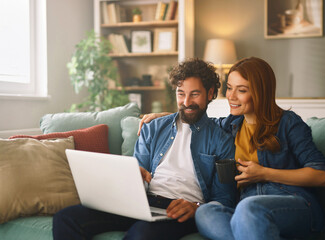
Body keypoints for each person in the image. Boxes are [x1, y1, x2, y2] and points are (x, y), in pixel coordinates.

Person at [139, 57, 325, 240]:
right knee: (205, 212)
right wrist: (165, 117)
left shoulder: (288, 123)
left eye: (242, 90)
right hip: (245, 212)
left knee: (249, 207)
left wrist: (264, 173)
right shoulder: (230, 125)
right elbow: (196, 118)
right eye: (230, 88)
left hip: (292, 204)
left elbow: (321, 175)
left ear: (260, 92)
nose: (231, 96)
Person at [52, 58, 236, 240]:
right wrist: (134, 177)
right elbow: (138, 174)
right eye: (181, 93)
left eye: (195, 94)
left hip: (180, 210)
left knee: (141, 235)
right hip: (141, 202)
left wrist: (196, 207)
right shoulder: (153, 127)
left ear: (210, 93)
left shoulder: (222, 140)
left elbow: (225, 199)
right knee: (66, 218)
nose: (186, 101)